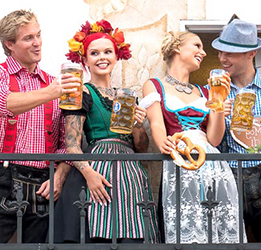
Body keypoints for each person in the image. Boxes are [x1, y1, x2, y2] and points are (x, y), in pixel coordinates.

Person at [53, 19, 159, 243]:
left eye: (107, 51)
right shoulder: (81, 91)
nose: (102, 57)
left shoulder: (127, 95)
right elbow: (72, 145)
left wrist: (138, 124)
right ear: (84, 60)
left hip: (130, 176)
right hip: (96, 169)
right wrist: (90, 175)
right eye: (94, 53)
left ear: (117, 56)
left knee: (132, 238)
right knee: (97, 237)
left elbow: (141, 148)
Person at [142, 31, 244, 243]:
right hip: (180, 163)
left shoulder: (204, 92)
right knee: (186, 234)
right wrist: (164, 143)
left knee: (218, 234)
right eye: (197, 45)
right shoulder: (154, 85)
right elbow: (157, 126)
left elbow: (214, 139)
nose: (203, 52)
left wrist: (218, 101)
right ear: (178, 48)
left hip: (212, 166)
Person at [0, 10, 81, 243]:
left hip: (43, 183)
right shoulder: (2, 75)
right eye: (28, 38)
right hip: (4, 176)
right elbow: (5, 103)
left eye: (38, 35)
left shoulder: (52, 81)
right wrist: (51, 93)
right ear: (10, 44)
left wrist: (60, 176)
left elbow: (67, 143)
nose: (37, 43)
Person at [212, 18, 261, 242]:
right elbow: (211, 141)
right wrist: (219, 110)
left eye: (229, 53)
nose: (223, 58)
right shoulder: (213, 88)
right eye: (221, 52)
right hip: (227, 173)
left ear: (251, 53)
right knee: (228, 243)